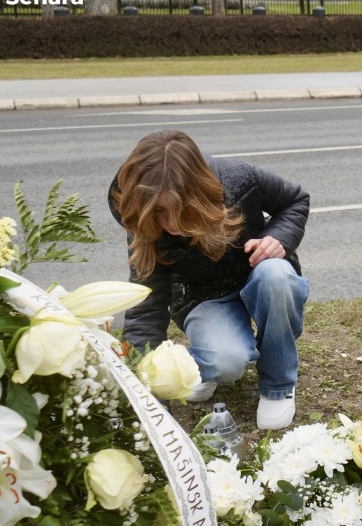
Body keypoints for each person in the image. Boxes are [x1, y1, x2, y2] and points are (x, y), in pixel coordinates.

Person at [109, 130, 311, 431]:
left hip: (260, 276)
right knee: (226, 360)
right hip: (202, 296)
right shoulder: (143, 217)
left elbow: (295, 201)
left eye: (180, 208)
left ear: (200, 191)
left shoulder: (240, 178)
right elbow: (146, 307)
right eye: (160, 211)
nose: (171, 223)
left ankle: (278, 385)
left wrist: (277, 238)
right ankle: (201, 369)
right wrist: (149, 404)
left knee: (277, 275)